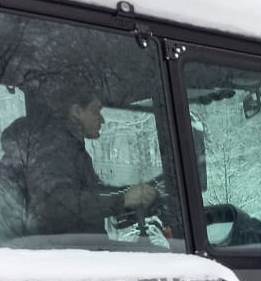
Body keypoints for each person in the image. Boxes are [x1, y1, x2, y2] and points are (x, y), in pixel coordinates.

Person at [0, 86, 158, 237]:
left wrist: (129, 194)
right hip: (64, 254)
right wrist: (121, 199)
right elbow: (56, 205)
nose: (102, 120)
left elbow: (86, 193)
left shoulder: (67, 145)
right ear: (76, 111)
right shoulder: (54, 145)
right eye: (96, 111)